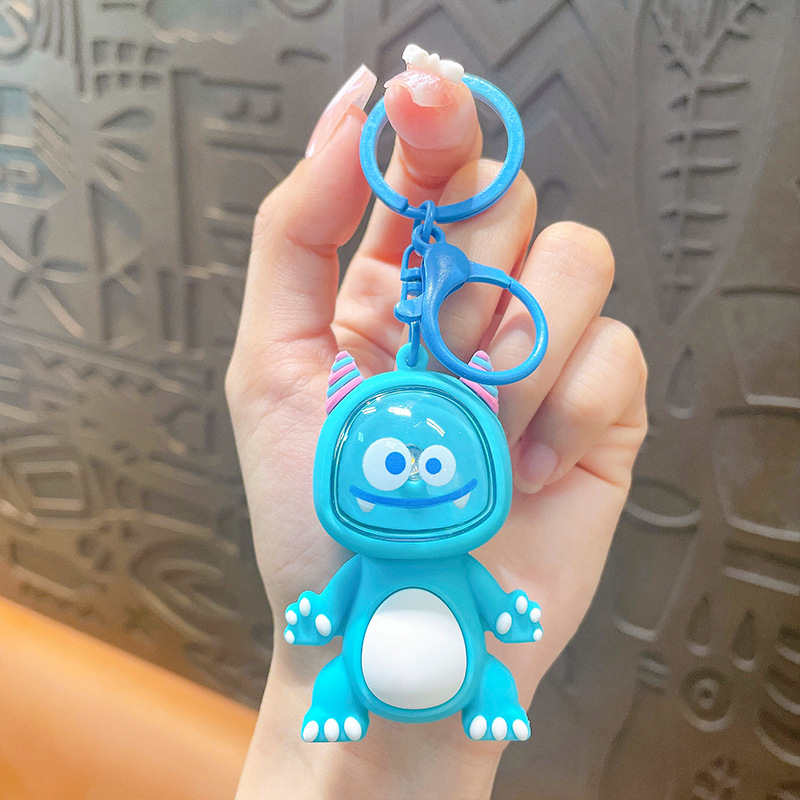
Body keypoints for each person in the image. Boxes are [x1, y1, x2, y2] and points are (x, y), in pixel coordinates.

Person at [225, 61, 648, 800]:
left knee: (481, 677)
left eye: (432, 466)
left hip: (453, 676)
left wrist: (507, 616)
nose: (418, 478)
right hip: (368, 670)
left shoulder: (462, 551)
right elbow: (338, 601)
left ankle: (483, 699)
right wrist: (319, 617)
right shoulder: (361, 552)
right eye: (394, 465)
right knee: (339, 678)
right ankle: (338, 702)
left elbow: (488, 604)